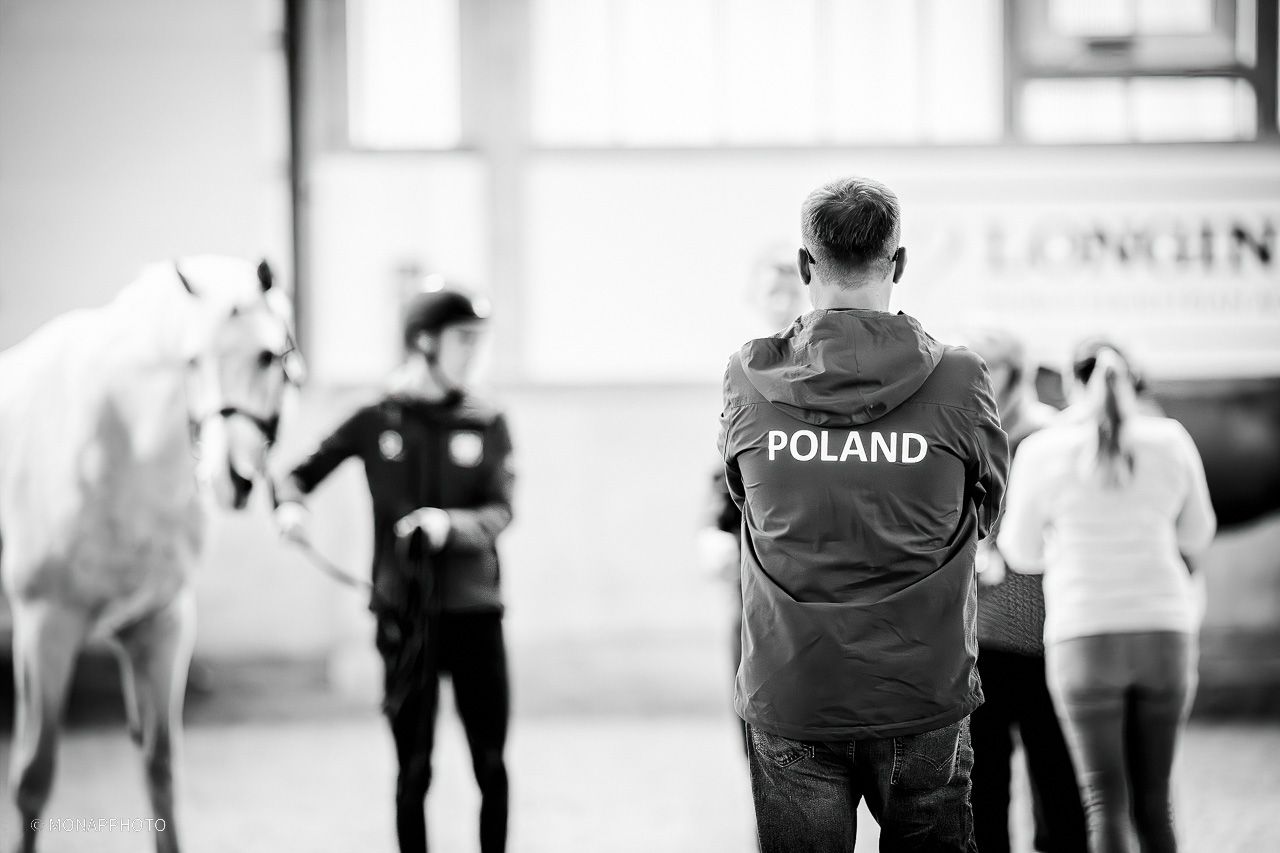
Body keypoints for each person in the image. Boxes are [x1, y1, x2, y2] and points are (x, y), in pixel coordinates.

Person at [718, 176, 1009, 852]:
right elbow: (989, 500)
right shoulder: (958, 378)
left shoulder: (748, 377)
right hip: (920, 685)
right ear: (898, 263)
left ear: (804, 265)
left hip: (795, 684)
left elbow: (744, 495)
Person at [274, 281, 514, 853]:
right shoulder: (374, 416)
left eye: (479, 339)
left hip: (475, 613)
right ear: (425, 342)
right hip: (404, 617)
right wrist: (290, 506)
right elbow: (297, 474)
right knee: (413, 768)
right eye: (463, 339)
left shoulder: (488, 419)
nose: (475, 352)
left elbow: (501, 509)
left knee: (490, 764)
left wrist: (448, 525)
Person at [998, 341, 1216, 853]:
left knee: (1103, 801)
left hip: (1083, 634)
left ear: (1071, 384)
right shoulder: (1170, 440)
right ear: (1133, 381)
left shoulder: (1043, 451)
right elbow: (1197, 534)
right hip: (1165, 629)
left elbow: (1020, 552)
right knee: (1155, 802)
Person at [964, 329, 1087, 853]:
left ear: (1017, 373)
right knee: (985, 774)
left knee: (1053, 767)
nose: (984, 381)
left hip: (1040, 626)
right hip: (981, 633)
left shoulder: (1047, 435)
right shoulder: (970, 432)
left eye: (992, 368)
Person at [696, 243, 809, 754]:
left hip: (811, 551)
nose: (782, 301)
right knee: (752, 693)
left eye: (790, 290)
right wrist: (715, 527)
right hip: (757, 555)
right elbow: (728, 460)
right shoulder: (743, 368)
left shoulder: (825, 364)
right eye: (772, 291)